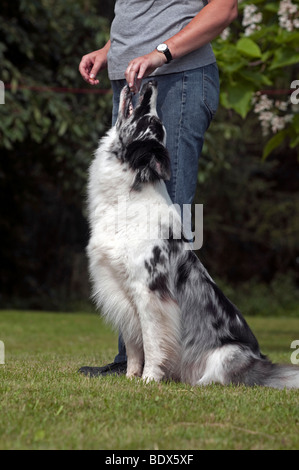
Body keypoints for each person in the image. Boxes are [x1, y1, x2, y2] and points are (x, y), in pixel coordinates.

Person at [78, 0, 238, 377]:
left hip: (177, 77)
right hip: (131, 75)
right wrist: (111, 49)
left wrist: (160, 52)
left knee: (161, 240)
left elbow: (224, 9)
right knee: (124, 242)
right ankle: (135, 362)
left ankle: (169, 362)